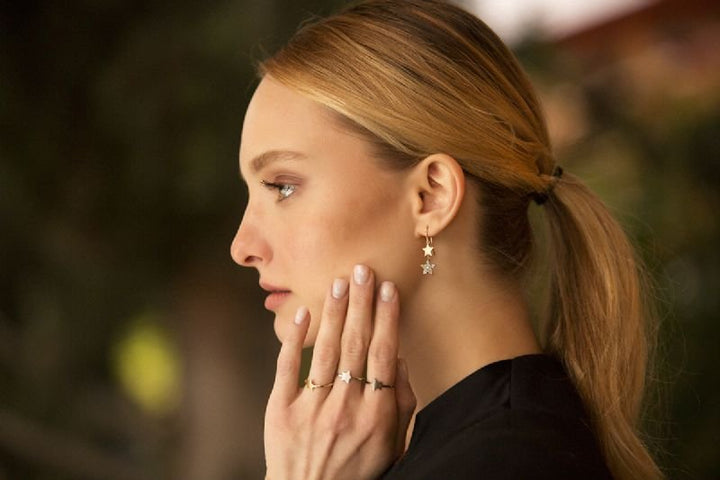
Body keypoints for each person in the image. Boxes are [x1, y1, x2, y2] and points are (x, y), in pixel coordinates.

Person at [230, 0, 663, 478]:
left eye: (282, 187)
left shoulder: (507, 463)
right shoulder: (466, 445)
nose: (243, 247)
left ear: (431, 196)